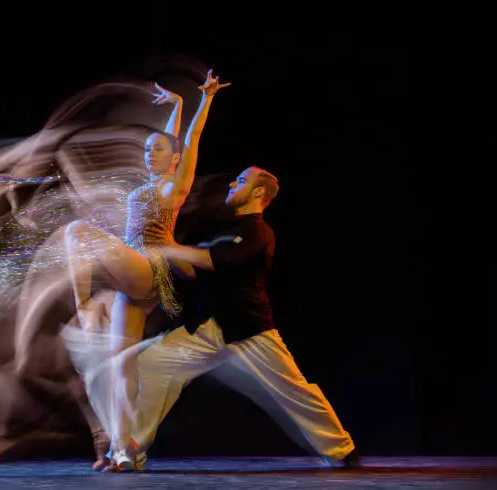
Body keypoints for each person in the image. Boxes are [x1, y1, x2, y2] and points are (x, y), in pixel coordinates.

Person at [129, 166, 360, 470]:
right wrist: (164, 250)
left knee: (294, 390)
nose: (232, 183)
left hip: (250, 329)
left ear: (259, 192)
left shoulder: (258, 232)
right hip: (210, 328)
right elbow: (195, 267)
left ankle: (342, 449)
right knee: (153, 362)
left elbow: (213, 261)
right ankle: (132, 450)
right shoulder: (229, 231)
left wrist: (172, 248)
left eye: (241, 181)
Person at [62, 70, 230, 471]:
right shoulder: (150, 181)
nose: (148, 153)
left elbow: (185, 143)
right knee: (120, 365)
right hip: (131, 279)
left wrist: (202, 101)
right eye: (146, 149)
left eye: (155, 150)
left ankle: (84, 304)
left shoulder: (174, 187)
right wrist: (175, 105)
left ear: (174, 161)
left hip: (148, 269)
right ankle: (125, 451)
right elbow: (170, 142)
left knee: (77, 231)